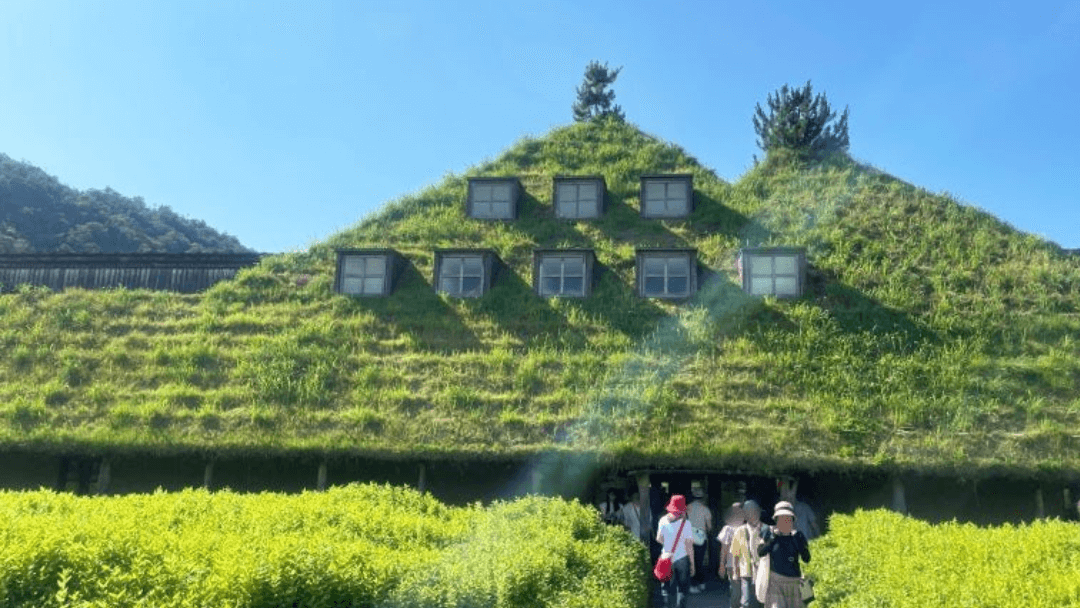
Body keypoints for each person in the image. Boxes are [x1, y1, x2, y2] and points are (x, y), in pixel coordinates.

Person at [758, 501, 811, 608]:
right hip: (775, 583)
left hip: (795, 583)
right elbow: (760, 552)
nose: (785, 522)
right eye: (781, 519)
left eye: (788, 519)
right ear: (776, 520)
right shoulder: (770, 534)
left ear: (793, 521)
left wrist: (799, 543)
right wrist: (773, 538)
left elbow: (807, 559)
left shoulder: (798, 536)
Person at [656, 494, 696, 608]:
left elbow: (659, 539)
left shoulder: (663, 520)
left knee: (666, 588)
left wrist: (668, 543)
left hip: (666, 557)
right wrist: (692, 564)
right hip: (682, 559)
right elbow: (689, 546)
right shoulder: (686, 523)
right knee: (682, 588)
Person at [729, 499, 766, 608]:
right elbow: (735, 554)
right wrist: (735, 573)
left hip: (762, 572)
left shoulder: (765, 529)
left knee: (761, 601)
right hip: (746, 573)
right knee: (746, 602)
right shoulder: (740, 531)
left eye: (755, 512)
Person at [687, 481, 714, 593]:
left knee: (691, 561)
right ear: (702, 498)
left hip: (688, 537)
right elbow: (709, 526)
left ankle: (693, 584)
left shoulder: (687, 507)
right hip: (701, 538)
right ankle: (701, 583)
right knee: (700, 561)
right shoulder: (705, 509)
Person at [717, 502, 745, 608]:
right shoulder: (747, 527)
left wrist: (721, 565)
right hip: (740, 564)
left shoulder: (728, 529)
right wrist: (722, 565)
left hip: (732, 564)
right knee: (740, 592)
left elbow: (724, 549)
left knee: (735, 591)